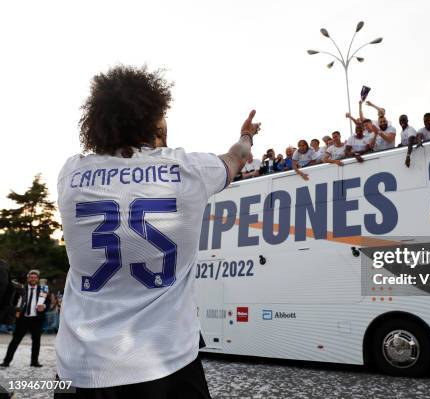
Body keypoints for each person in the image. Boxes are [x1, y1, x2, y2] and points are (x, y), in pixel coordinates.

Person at [53, 65, 261, 398]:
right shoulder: (190, 169)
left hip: (80, 366)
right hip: (165, 361)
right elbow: (236, 159)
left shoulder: (71, 174)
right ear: (152, 119)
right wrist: (246, 136)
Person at [2, 270, 47, 368]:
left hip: (36, 319)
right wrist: (15, 310)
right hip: (23, 319)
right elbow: (13, 301)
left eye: (35, 277)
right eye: (31, 277)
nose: (33, 279)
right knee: (15, 341)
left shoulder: (43, 290)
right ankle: (6, 361)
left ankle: (34, 362)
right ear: (28, 278)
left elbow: (46, 302)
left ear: (38, 279)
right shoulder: (21, 289)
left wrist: (44, 306)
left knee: (36, 342)